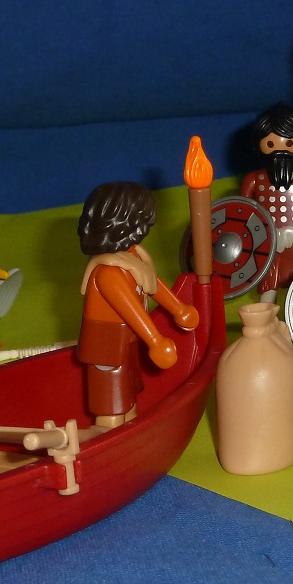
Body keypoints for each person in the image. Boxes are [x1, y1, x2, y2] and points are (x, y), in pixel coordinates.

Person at [77, 182, 199, 428]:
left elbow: (152, 284)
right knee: (112, 406)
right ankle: (109, 438)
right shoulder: (108, 273)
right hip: (107, 348)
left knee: (129, 399)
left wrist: (178, 309)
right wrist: (155, 340)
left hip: (127, 344)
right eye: (141, 221)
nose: (145, 228)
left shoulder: (133, 258)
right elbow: (131, 310)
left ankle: (131, 432)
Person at [241, 102, 293, 301]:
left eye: (289, 143)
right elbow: (242, 211)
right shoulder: (254, 179)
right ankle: (264, 317)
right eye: (270, 144)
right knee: (268, 282)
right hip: (270, 242)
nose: (280, 150)